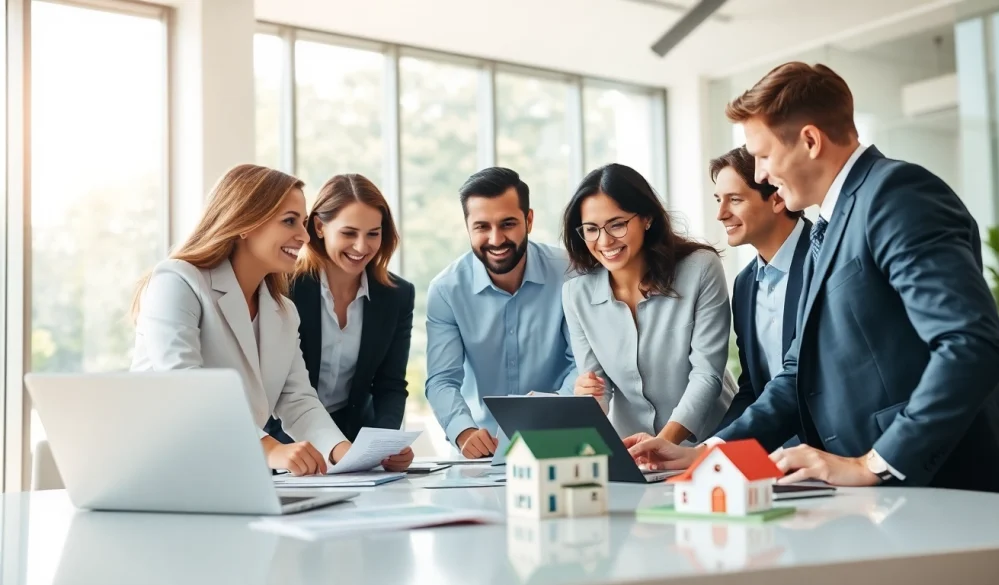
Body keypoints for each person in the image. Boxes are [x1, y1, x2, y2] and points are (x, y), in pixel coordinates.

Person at [628, 62, 999, 495]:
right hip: (883, 500)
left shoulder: (897, 195)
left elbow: (971, 344)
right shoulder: (828, 226)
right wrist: (710, 453)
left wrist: (875, 462)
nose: (761, 174)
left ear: (810, 141)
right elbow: (798, 373)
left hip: (953, 486)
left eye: (763, 155)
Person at [131, 164, 359, 477]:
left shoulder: (283, 311)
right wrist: (270, 448)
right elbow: (184, 384)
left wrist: (350, 456)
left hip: (231, 476)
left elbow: (297, 400)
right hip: (161, 471)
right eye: (289, 221)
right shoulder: (177, 280)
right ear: (246, 222)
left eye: (304, 223)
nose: (304, 236)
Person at [561, 163, 736, 444]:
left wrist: (665, 443)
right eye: (591, 229)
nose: (604, 241)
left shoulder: (701, 268)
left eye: (617, 224)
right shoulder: (576, 294)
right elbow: (600, 387)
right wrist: (590, 396)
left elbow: (707, 375)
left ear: (647, 218)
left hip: (709, 444)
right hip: (633, 450)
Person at [263, 174, 414, 472]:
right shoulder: (283, 288)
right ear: (319, 227)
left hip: (355, 445)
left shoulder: (396, 296)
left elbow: (390, 384)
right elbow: (285, 390)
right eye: (349, 233)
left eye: (373, 233)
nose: (362, 246)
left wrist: (386, 444)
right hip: (285, 444)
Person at [426, 167, 577, 459]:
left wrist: (552, 408)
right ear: (468, 226)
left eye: (508, 224)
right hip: (482, 453)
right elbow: (442, 380)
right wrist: (463, 431)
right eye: (482, 226)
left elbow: (583, 363)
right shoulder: (446, 290)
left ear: (528, 220)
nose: (496, 239)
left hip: (561, 440)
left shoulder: (571, 274)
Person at [711, 146, 811, 445]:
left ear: (778, 198)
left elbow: (805, 380)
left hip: (837, 452)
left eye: (735, 200)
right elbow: (753, 389)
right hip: (774, 456)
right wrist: (709, 450)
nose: (721, 214)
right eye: (718, 200)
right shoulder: (744, 284)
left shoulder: (826, 261)